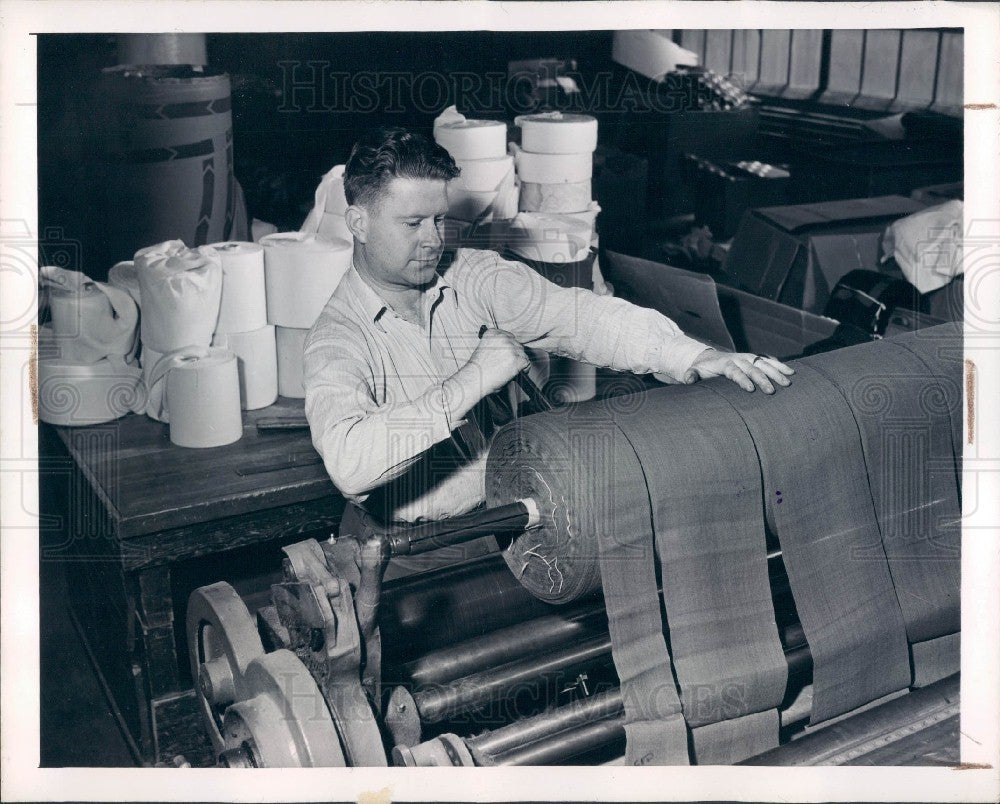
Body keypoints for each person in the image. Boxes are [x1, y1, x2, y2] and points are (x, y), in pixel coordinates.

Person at [303, 127, 793, 527]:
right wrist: (474, 378)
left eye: (440, 219)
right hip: (406, 549)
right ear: (359, 223)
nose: (434, 241)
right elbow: (350, 463)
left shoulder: (471, 274)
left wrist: (694, 357)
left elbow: (581, 318)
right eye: (413, 224)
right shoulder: (338, 338)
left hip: (508, 513)